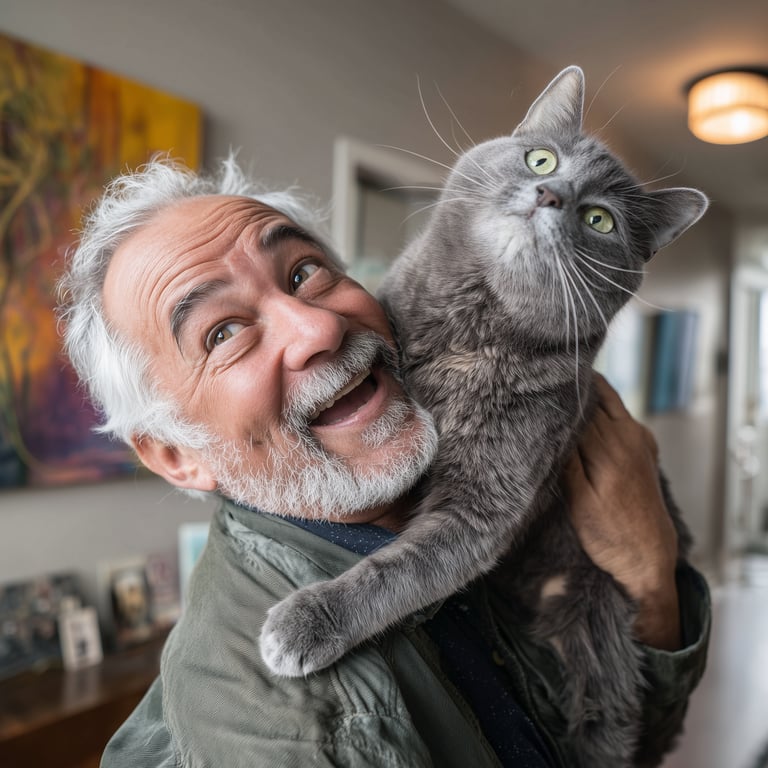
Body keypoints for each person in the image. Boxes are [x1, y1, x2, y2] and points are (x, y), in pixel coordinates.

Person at [58, 155, 710, 768]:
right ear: (176, 455)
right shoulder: (280, 719)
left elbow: (611, 737)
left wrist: (651, 584)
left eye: (303, 272)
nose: (318, 328)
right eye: (223, 332)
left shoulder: (463, 472)